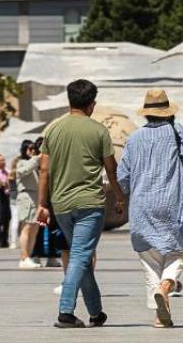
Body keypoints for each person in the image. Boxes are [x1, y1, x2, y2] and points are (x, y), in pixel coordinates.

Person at [37, 78, 121, 329]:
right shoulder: (98, 131)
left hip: (61, 204)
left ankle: (96, 312)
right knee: (80, 256)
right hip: (89, 204)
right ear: (91, 104)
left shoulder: (53, 130)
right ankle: (65, 311)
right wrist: (119, 196)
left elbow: (44, 170)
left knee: (80, 257)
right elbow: (111, 169)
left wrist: (42, 204)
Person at [117, 88, 183, 328]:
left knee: (150, 260)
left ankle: (159, 315)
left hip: (141, 207)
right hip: (171, 204)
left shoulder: (134, 138)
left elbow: (122, 177)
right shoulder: (176, 131)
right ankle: (166, 287)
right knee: (179, 251)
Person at [15, 140, 44, 268]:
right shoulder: (22, 162)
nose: (33, 151)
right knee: (26, 227)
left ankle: (29, 255)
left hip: (36, 197)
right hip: (26, 196)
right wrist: (36, 158)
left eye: (34, 149)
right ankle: (24, 257)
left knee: (34, 229)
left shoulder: (35, 164)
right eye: (30, 148)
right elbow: (23, 171)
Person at [0, 154, 13, 249]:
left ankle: (5, 240)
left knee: (7, 218)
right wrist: (3, 183)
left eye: (4, 160)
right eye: (1, 160)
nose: (3, 162)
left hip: (8, 197)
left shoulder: (8, 171)